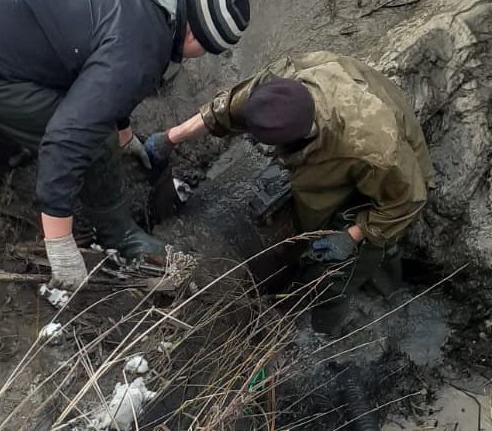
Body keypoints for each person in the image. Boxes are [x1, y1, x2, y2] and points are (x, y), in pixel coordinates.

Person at [0, 0, 250, 290]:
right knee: (95, 141)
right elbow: (69, 137)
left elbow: (102, 62)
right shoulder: (141, 45)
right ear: (196, 38)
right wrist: (59, 244)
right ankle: (117, 234)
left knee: (82, 106)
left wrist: (126, 136)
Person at [144, 51, 435, 333]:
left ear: (301, 139)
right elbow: (227, 108)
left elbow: (407, 201)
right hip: (348, 101)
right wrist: (172, 137)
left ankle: (341, 324)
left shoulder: (373, 147)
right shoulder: (277, 87)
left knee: (340, 269)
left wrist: (351, 236)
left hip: (397, 171)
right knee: (315, 207)